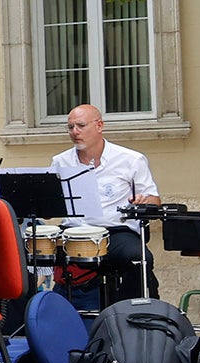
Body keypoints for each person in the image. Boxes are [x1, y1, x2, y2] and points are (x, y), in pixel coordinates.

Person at [50, 104, 163, 300]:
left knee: (139, 259)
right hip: (72, 233)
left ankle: (130, 311)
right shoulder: (60, 161)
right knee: (30, 256)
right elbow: (48, 207)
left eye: (81, 125)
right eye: (70, 127)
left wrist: (143, 201)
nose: (74, 132)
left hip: (115, 231)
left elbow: (155, 200)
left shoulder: (131, 159)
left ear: (99, 126)